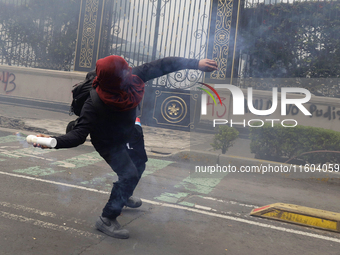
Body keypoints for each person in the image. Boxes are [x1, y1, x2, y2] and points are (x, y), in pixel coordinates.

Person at [33, 55, 218, 239]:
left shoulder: (133, 77)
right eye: (123, 70)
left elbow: (164, 64)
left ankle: (123, 195)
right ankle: (107, 218)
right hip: (107, 141)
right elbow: (78, 136)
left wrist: (196, 64)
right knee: (129, 174)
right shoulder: (93, 102)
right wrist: (53, 141)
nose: (129, 71)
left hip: (129, 131)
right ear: (114, 78)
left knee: (140, 165)